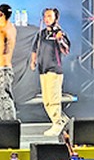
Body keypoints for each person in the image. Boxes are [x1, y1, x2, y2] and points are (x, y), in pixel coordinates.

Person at [30, 8, 71, 136]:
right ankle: (63, 121)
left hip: (54, 69)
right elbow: (35, 49)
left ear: (55, 18)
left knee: (53, 98)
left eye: (49, 16)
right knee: (46, 100)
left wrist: (60, 40)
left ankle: (57, 123)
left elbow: (66, 50)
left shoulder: (59, 33)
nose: (46, 18)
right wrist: (33, 61)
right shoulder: (41, 33)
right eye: (45, 16)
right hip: (43, 69)